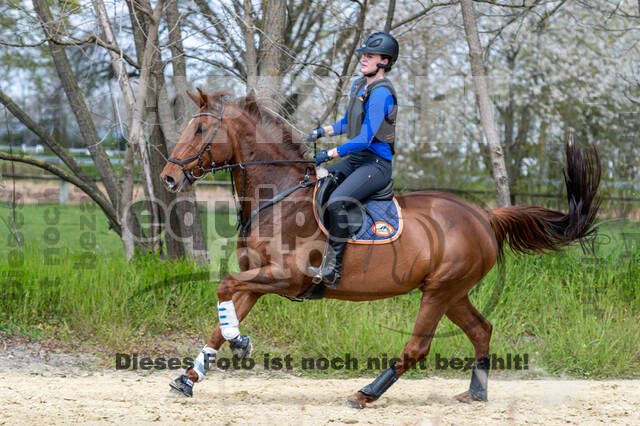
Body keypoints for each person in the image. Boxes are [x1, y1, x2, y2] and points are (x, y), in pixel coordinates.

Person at [307, 31, 399, 289]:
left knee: (337, 202)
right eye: (363, 55)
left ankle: (335, 270)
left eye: (369, 55)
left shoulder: (381, 93)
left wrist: (329, 153)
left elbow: (366, 137)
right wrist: (321, 131)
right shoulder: (360, 85)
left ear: (384, 60)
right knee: (317, 185)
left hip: (375, 164)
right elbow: (347, 123)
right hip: (357, 159)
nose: (363, 59)